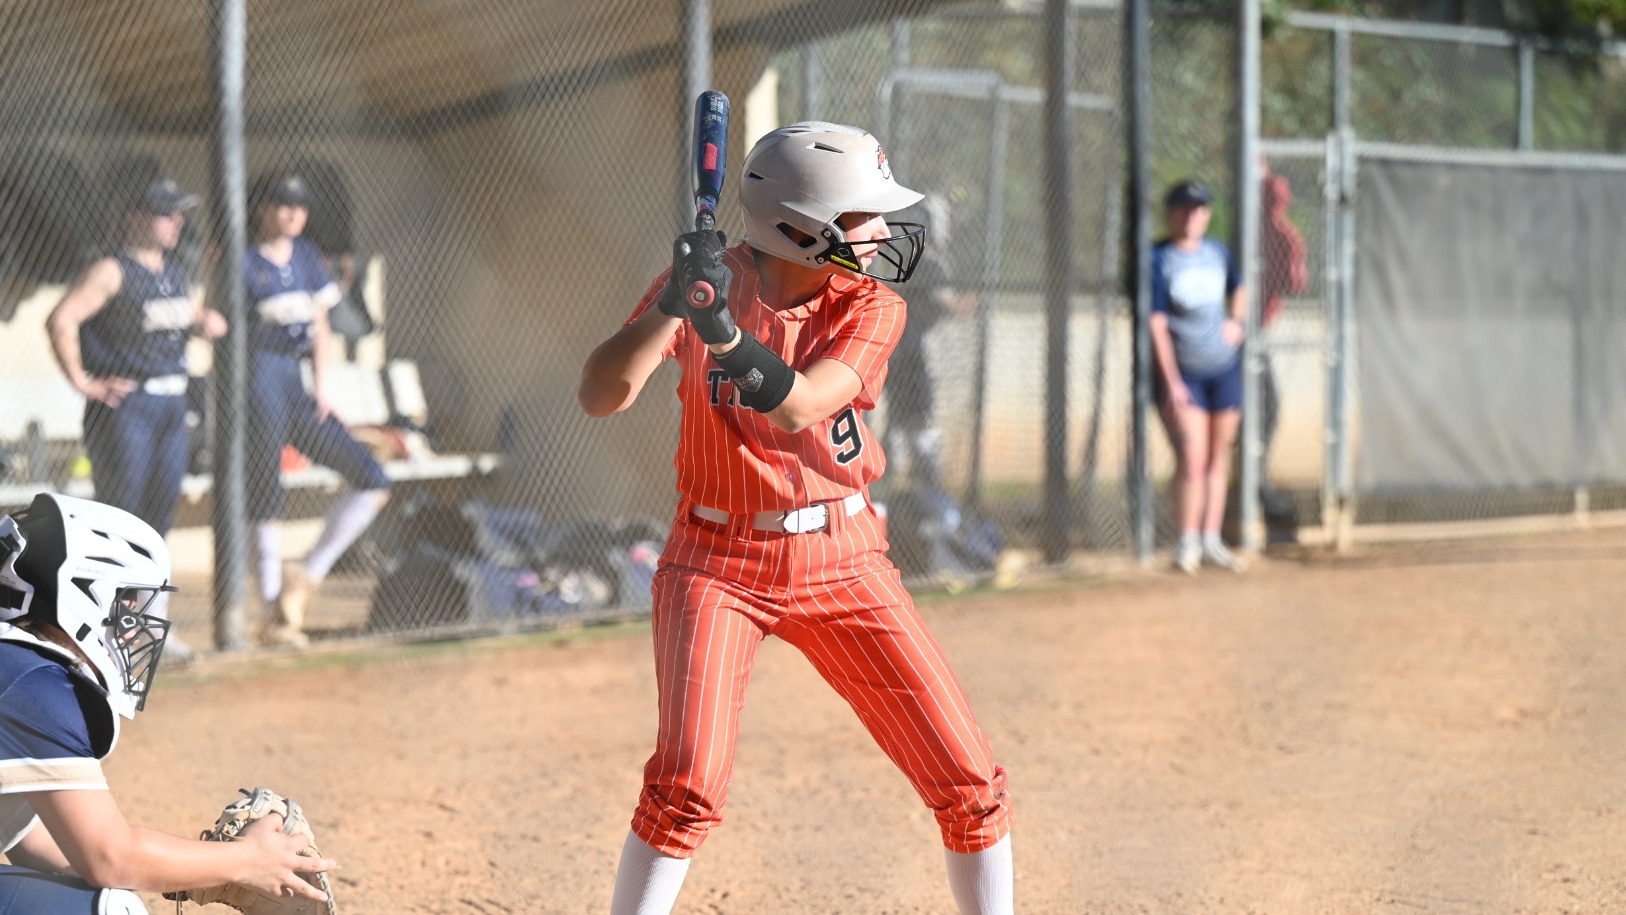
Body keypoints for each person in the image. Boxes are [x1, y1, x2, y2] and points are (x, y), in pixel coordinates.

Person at [579, 121, 1013, 915]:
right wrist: (674, 306)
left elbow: (802, 402)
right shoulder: (706, 280)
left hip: (845, 556)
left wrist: (724, 332)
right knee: (687, 784)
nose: (882, 232)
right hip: (715, 559)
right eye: (860, 218)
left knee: (968, 777)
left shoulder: (872, 304)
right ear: (798, 227)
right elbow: (600, 393)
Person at [0, 492, 336, 912]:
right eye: (126, 602)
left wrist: (209, 869)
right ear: (81, 594)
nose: (136, 624)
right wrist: (247, 860)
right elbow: (109, 857)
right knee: (112, 910)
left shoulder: (15, 665)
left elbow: (42, 847)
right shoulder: (33, 682)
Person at [45, 177, 228, 664]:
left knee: (156, 524)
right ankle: (93, 638)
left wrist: (205, 321)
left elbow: (187, 315)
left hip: (171, 406)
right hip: (128, 410)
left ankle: (143, 639)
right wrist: (84, 382)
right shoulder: (111, 269)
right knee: (118, 524)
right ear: (136, 217)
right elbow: (62, 319)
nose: (176, 221)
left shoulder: (172, 271)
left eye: (177, 213)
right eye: (166, 213)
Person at [243, 171, 390, 649]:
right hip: (257, 379)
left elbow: (322, 323)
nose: (292, 213)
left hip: (298, 382)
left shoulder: (306, 256)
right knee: (264, 493)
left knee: (373, 479)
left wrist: (323, 387)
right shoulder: (242, 261)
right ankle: (272, 616)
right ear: (262, 208)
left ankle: (305, 574)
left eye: (300, 206)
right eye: (282, 204)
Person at [1150, 179, 1248, 574]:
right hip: (1186, 373)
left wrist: (1236, 322)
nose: (1192, 217)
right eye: (1184, 209)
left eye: (1199, 209)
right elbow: (1157, 323)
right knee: (1191, 458)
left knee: (1217, 455)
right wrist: (1172, 381)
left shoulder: (1218, 252)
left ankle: (1212, 539)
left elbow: (1239, 288)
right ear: (1171, 214)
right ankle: (1186, 541)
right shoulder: (1159, 258)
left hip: (1223, 369)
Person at [1256, 162, 1309, 537]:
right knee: (1263, 410)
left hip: (1256, 331)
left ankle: (1255, 486)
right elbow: (1296, 281)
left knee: (1266, 411)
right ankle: (1253, 489)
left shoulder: (1279, 232)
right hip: (1245, 333)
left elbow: (1295, 282)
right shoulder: (1268, 229)